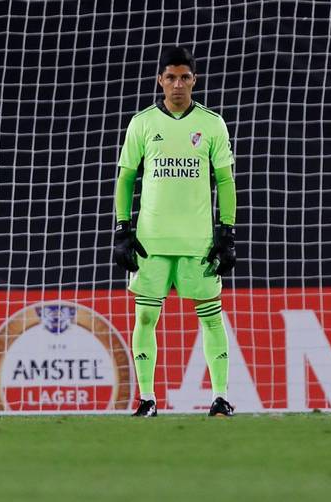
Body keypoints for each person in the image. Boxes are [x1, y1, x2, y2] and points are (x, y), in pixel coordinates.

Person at [113, 44, 237, 417]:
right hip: (152, 241)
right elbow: (126, 178)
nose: (178, 84)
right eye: (171, 77)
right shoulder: (143, 123)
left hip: (197, 240)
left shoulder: (212, 124)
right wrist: (123, 228)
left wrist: (226, 232)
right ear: (160, 81)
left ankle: (219, 398)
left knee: (211, 315)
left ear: (194, 80)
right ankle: (147, 399)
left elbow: (226, 181)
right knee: (146, 317)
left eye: (184, 77)